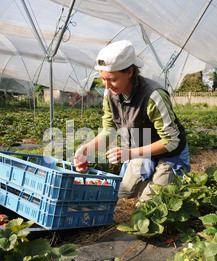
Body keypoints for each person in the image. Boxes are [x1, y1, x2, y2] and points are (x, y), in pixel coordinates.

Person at [74, 40, 190, 202]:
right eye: (103, 79)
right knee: (123, 192)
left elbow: (171, 142)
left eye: (112, 79)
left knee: (150, 205)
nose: (107, 86)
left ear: (129, 72)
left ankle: (175, 180)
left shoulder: (153, 96)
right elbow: (109, 131)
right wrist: (86, 149)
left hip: (170, 154)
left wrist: (131, 153)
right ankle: (151, 180)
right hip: (141, 149)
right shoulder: (110, 95)